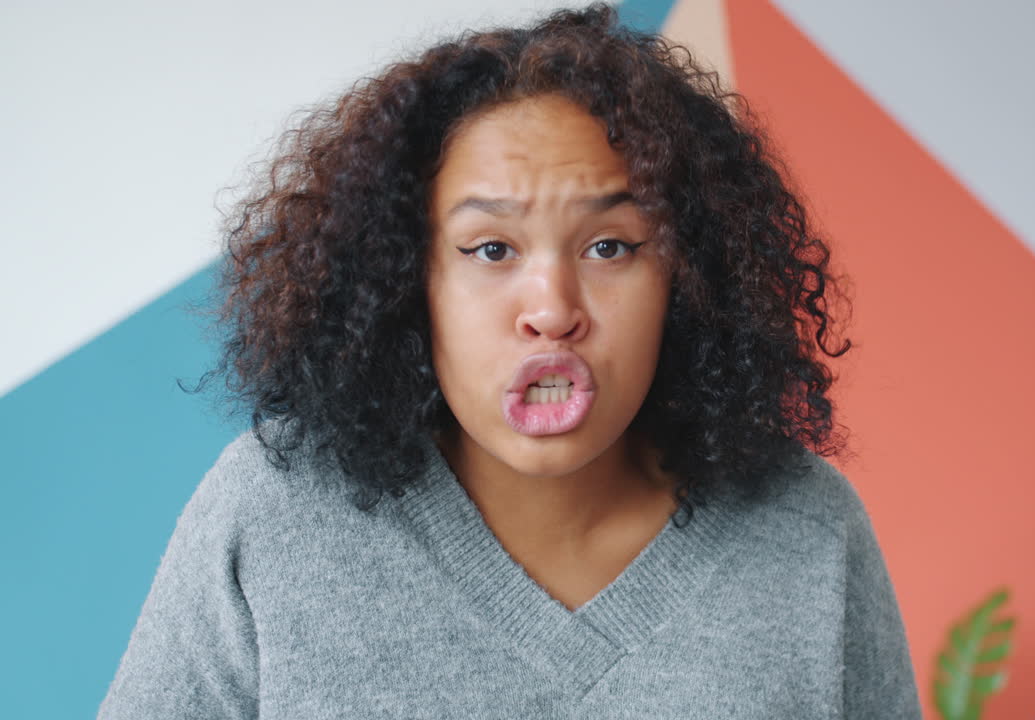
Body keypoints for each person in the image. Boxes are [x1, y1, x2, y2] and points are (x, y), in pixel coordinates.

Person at [99, 4, 921, 718]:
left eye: (610, 246)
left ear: (688, 275)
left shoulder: (808, 533)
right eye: (491, 248)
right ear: (407, 281)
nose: (553, 308)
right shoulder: (271, 519)